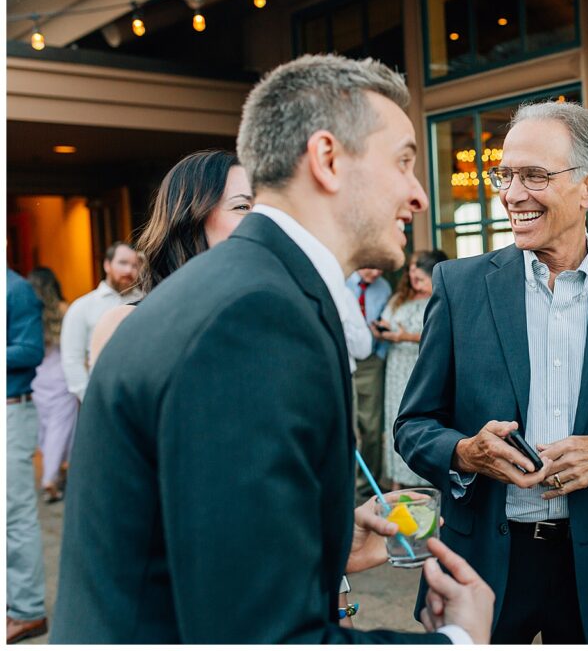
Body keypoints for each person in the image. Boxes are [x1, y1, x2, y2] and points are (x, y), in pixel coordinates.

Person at [51, 54, 493, 643]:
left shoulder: (244, 289)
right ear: (328, 159)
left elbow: (203, 541)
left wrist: (322, 537)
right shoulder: (253, 318)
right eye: (404, 162)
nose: (418, 194)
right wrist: (457, 640)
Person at [395, 101, 588, 644]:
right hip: (479, 563)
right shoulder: (459, 288)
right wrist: (465, 453)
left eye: (534, 175)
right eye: (505, 175)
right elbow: (413, 426)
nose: (512, 194)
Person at [88, 149, 253, 366]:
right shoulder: (126, 324)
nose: (260, 219)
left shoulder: (267, 310)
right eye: (242, 207)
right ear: (192, 218)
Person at [374, 249, 449, 489]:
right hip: (397, 368)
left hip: (422, 365)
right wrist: (383, 329)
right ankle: (397, 480)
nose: (415, 283)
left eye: (421, 279)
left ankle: (425, 479)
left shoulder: (442, 297)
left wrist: (403, 335)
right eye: (413, 278)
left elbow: (438, 336)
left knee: (424, 417)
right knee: (395, 419)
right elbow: (387, 320)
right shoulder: (400, 298)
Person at [6, 267, 47, 643]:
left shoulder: (16, 290)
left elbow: (31, 349)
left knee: (14, 513)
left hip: (11, 410)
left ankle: (28, 610)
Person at [59, 241, 141, 400]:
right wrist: (90, 399)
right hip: (100, 396)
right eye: (123, 263)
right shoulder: (82, 307)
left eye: (135, 265)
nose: (129, 270)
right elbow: (71, 360)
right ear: (107, 265)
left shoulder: (149, 301)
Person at [27, 267, 79, 503]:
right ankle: (50, 477)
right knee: (61, 427)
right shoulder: (64, 310)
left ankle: (54, 472)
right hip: (60, 376)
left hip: (38, 376)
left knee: (47, 429)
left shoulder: (28, 314)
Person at [345, 267, 393, 501]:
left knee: (371, 428)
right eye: (370, 267)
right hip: (342, 360)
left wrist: (380, 356)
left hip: (370, 363)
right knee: (345, 426)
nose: (375, 273)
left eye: (378, 269)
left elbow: (386, 324)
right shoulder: (341, 280)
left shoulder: (383, 288)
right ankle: (345, 483)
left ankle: (365, 488)